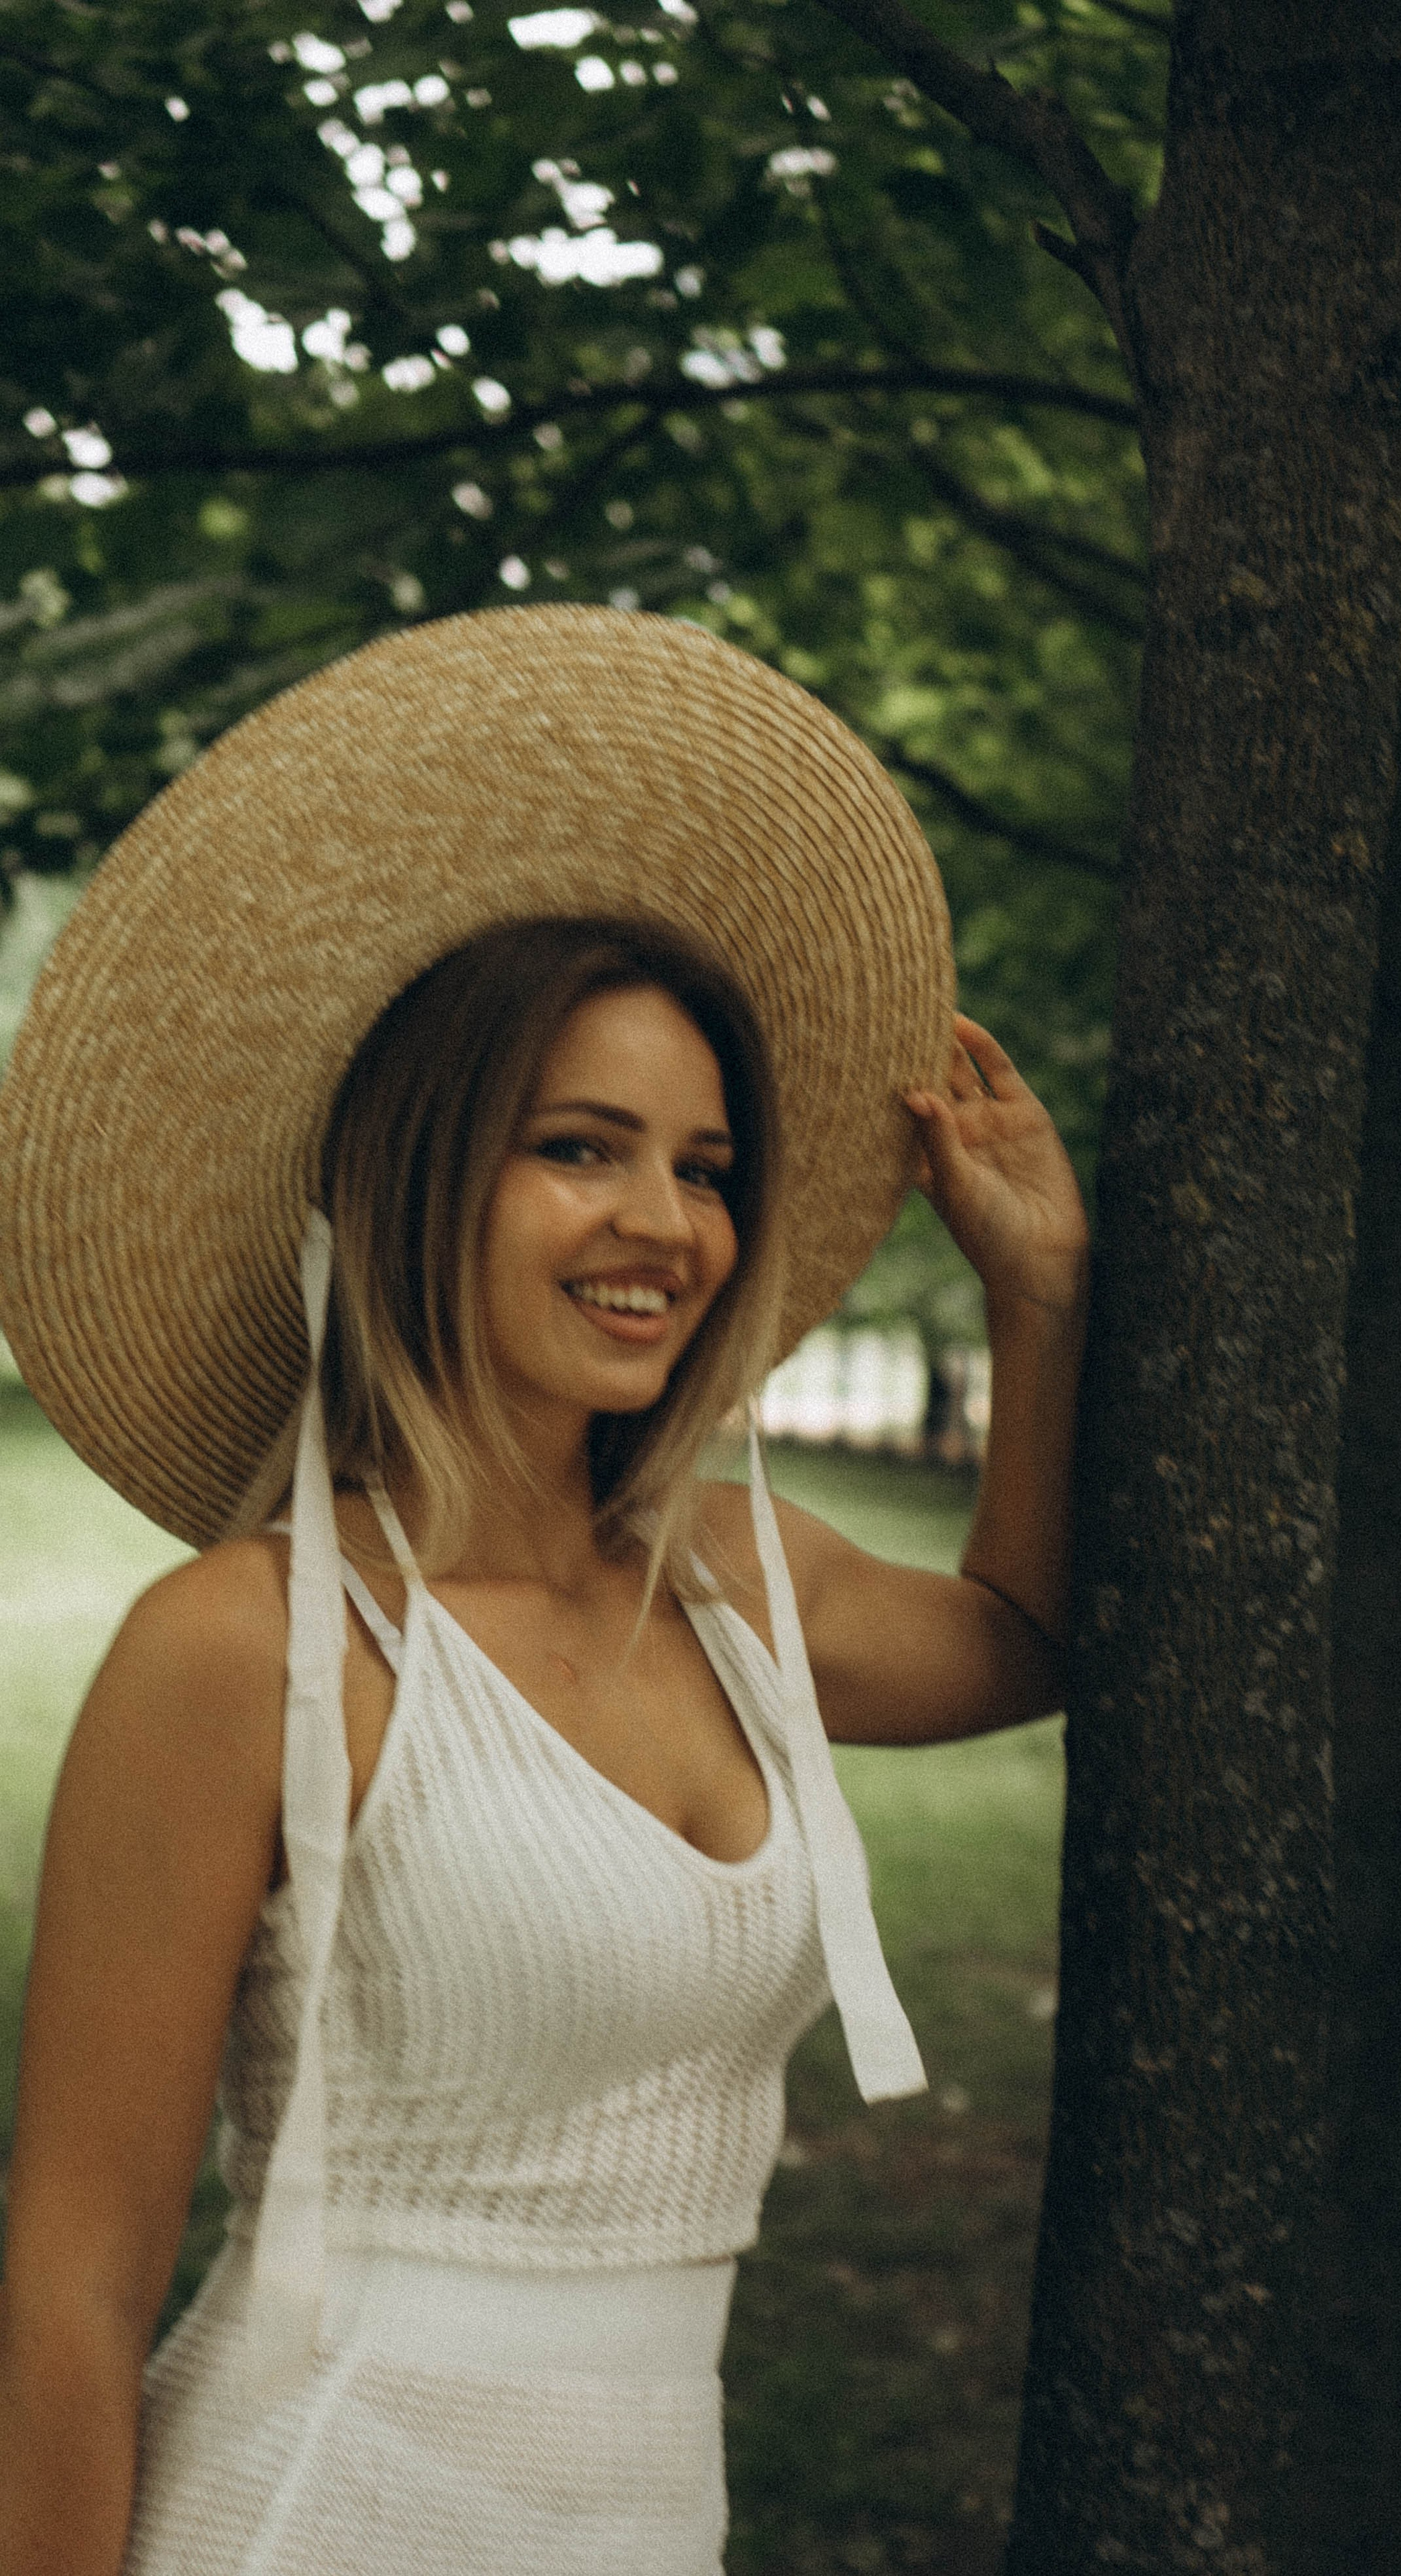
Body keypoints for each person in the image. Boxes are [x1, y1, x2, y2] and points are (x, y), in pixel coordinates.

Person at [0, 608, 1087, 2576]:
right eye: (582, 1149)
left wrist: (1043, 1299)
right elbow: (73, 2281)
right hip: (312, 2511)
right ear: (421, 1177)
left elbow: (1027, 1639)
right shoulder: (252, 1648)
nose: (664, 1224)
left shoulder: (740, 1583)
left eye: (708, 1166)